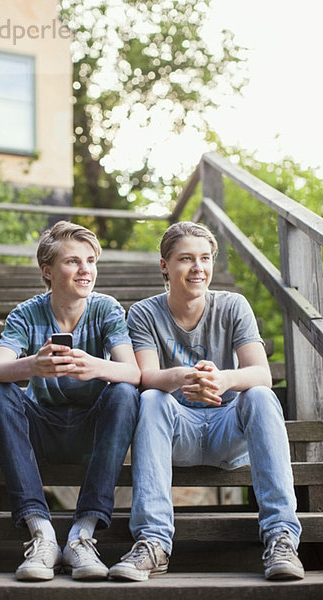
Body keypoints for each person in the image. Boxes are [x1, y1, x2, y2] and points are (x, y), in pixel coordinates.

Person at [109, 221, 304, 582]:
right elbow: (146, 376)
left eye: (205, 258)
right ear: (165, 265)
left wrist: (222, 378)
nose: (198, 267)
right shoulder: (143, 313)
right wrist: (186, 377)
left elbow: (261, 372)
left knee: (260, 395)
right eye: (186, 258)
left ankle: (282, 538)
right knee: (151, 399)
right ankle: (153, 542)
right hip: (176, 432)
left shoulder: (233, 305)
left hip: (226, 431)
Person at [0, 221, 140, 582]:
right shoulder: (26, 313)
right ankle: (42, 535)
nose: (85, 270)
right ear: (48, 272)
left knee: (124, 392)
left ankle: (83, 534)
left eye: (90, 261)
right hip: (41, 430)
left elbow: (133, 373)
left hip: (92, 430)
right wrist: (32, 364)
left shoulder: (106, 309)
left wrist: (95, 367)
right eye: (73, 262)